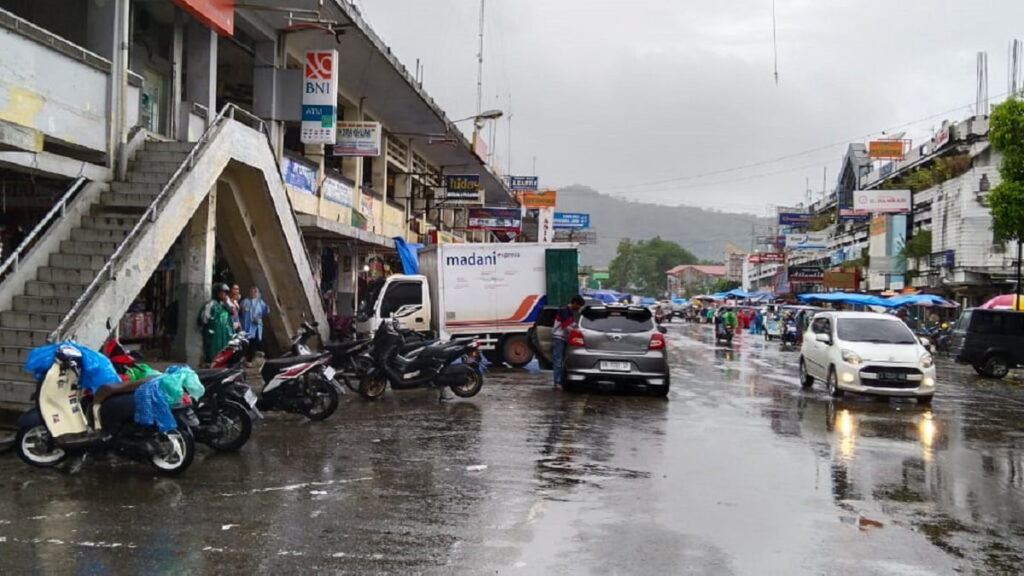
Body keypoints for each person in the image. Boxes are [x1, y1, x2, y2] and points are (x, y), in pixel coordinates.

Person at [552, 295, 586, 389]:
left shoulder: (569, 311)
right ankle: (557, 383)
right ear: (575, 303)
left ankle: (560, 381)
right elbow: (566, 326)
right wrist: (578, 333)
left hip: (564, 339)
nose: (579, 308)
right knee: (558, 361)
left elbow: (572, 324)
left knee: (562, 361)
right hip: (559, 338)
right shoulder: (564, 310)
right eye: (579, 306)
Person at [200, 283, 234, 364]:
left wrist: (226, 303)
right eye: (222, 292)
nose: (224, 295)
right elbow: (204, 319)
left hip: (224, 335)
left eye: (225, 293)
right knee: (213, 354)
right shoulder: (211, 304)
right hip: (214, 336)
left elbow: (232, 312)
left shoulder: (225, 304)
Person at [240, 286, 270, 366]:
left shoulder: (260, 301)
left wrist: (267, 309)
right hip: (248, 325)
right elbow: (242, 310)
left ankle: (255, 358)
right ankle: (248, 358)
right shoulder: (246, 301)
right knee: (248, 342)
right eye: (252, 292)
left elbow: (264, 311)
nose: (253, 293)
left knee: (258, 341)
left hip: (257, 325)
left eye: (255, 292)